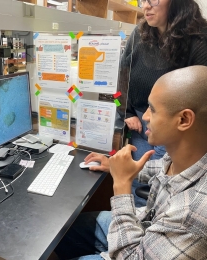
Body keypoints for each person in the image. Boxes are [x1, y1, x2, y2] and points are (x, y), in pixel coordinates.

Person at [55, 65, 207, 259]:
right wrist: (114, 166)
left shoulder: (193, 215)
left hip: (136, 253)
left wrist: (121, 185)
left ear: (184, 119)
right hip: (148, 225)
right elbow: (162, 169)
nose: (144, 117)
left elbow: (131, 257)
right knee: (67, 231)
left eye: (152, 109)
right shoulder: (188, 155)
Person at [117, 0, 207, 206]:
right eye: (143, 0)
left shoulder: (199, 38)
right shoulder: (140, 34)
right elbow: (123, 74)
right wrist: (127, 112)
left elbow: (202, 92)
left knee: (168, 194)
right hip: (141, 124)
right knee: (138, 185)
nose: (145, 6)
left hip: (181, 129)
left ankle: (148, 232)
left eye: (153, 0)